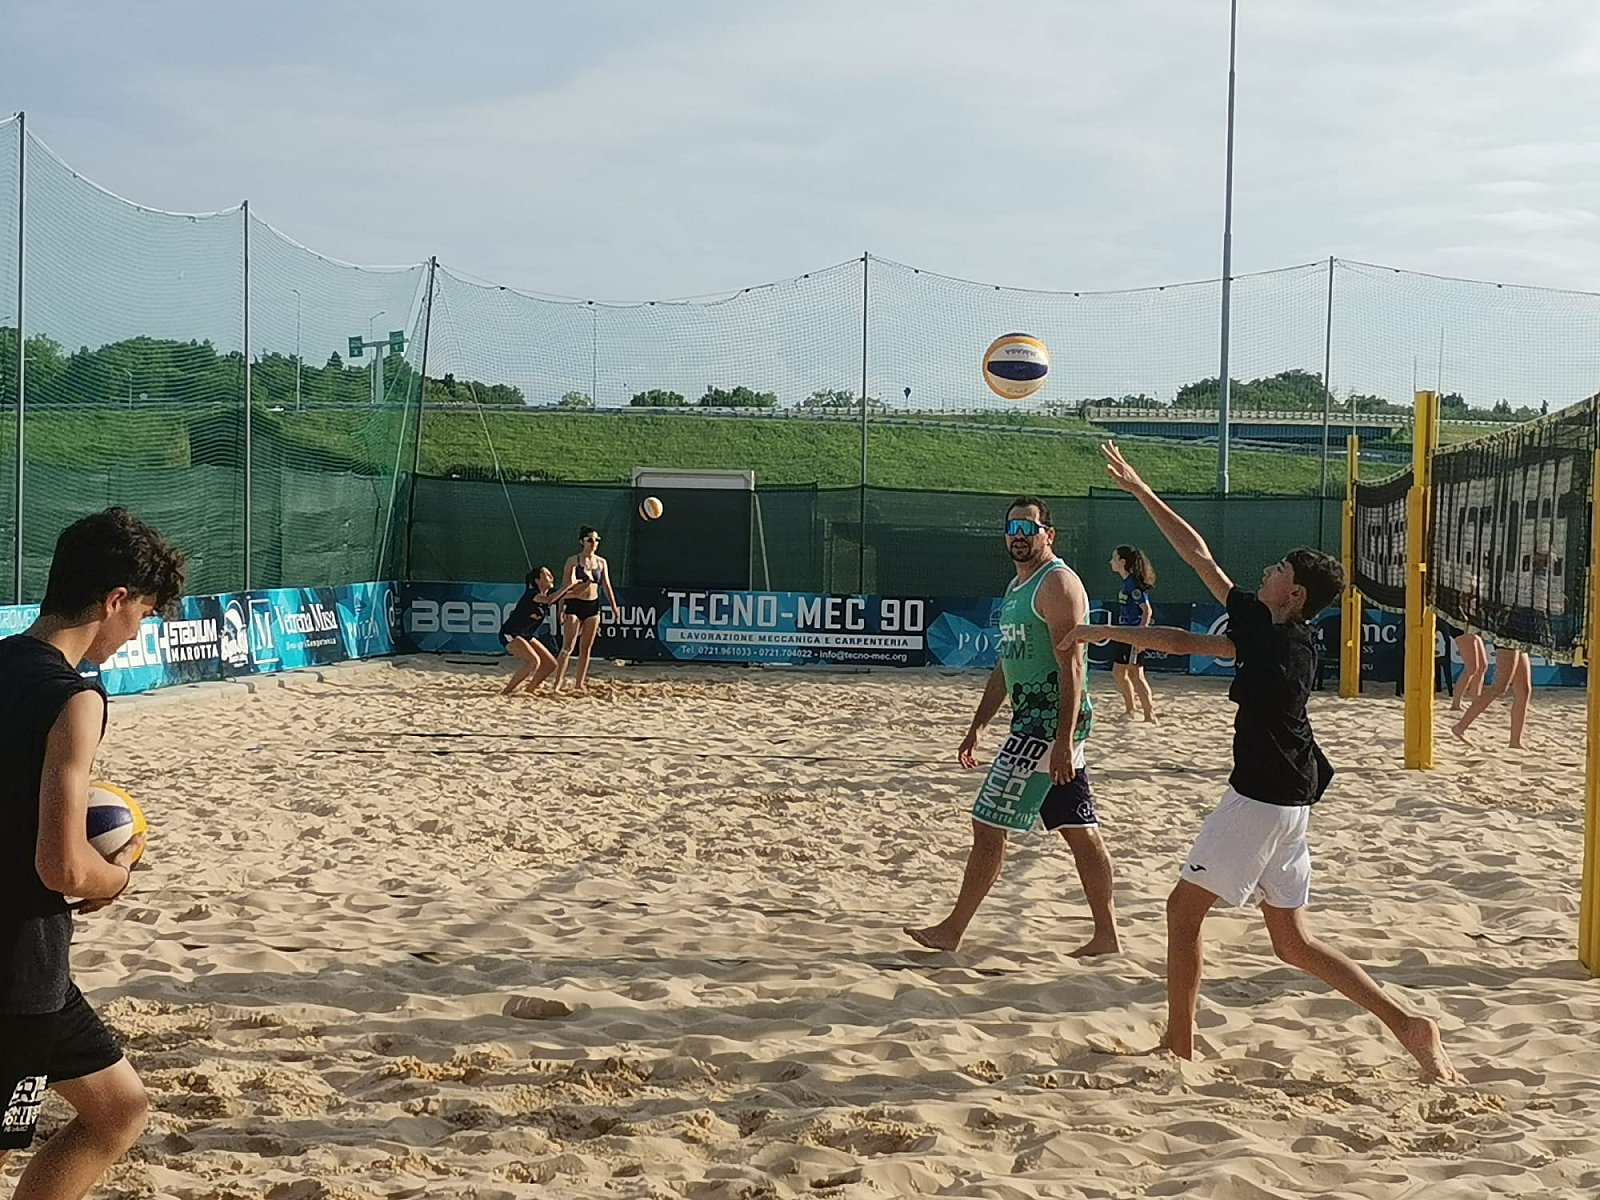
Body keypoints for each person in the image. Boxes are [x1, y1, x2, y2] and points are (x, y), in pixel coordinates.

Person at [1058, 444, 1459, 1082]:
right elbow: (1194, 594)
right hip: (1290, 802)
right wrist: (1137, 500)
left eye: (1276, 568)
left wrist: (1112, 622)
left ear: (1293, 593)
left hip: (1263, 801)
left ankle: (1180, 1047)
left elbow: (1194, 602)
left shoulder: (1276, 639)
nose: (1264, 571)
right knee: (1292, 943)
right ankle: (1411, 1026)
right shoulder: (1280, 629)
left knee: (1181, 913)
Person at [1, 507, 186, 1198]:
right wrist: (115, 877)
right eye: (141, 613)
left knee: (118, 1109)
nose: (137, 632)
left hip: (35, 969)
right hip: (16, 965)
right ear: (114, 600)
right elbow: (64, 868)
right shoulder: (74, 698)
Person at [905, 497, 1119, 958]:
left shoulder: (1057, 583)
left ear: (1049, 534)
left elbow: (1074, 667)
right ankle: (1107, 935)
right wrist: (978, 724)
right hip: (1032, 721)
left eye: (1028, 525)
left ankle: (953, 929)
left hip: (1046, 726)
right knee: (1078, 827)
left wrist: (1063, 740)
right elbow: (1007, 664)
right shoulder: (1017, 585)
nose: (1018, 534)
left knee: (987, 823)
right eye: (1012, 526)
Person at [553, 526, 620, 693]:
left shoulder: (601, 562)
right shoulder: (573, 561)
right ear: (581, 542)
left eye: (596, 540)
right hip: (574, 605)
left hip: (592, 605)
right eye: (590, 540)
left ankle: (579, 683)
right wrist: (561, 608)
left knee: (586, 648)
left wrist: (614, 607)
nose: (594, 543)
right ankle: (557, 683)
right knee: (567, 647)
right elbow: (565, 587)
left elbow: (606, 586)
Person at [498, 566, 580, 696]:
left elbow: (571, 594)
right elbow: (549, 600)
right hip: (510, 634)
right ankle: (506, 692)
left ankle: (529, 690)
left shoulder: (548, 594)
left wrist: (580, 583)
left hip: (526, 635)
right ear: (537, 580)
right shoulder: (532, 594)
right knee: (534, 661)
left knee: (551, 664)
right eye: (547, 575)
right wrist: (568, 585)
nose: (551, 577)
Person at [1450, 643, 1531, 749]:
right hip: (1508, 637)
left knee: (1524, 689)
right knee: (1500, 686)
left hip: (1520, 638)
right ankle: (1460, 727)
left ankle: (1515, 742)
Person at [1109, 544, 1157, 722]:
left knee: (1136, 675)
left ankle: (1149, 715)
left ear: (1122, 561)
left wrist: (1141, 636)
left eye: (1113, 558)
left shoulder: (1133, 585)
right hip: (1124, 634)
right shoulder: (1126, 582)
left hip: (1133, 635)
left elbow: (1147, 610)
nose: (1110, 562)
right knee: (1119, 673)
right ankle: (1131, 709)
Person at [1440, 619, 1488, 713]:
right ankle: (1456, 703)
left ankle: (1475, 700)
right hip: (1461, 626)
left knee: (1483, 665)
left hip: (1471, 626)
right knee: (1471, 668)